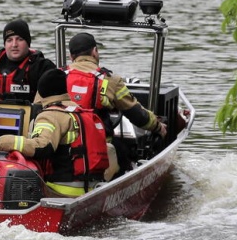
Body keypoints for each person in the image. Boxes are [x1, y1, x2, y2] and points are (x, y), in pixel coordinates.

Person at [0, 69, 111, 196]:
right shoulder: (80, 112)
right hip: (91, 189)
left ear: (42, 91)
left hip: (60, 192)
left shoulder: (50, 115)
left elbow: (41, 146)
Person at [65, 32, 167, 178]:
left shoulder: (57, 75)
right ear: (95, 52)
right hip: (98, 149)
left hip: (63, 149)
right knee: (123, 152)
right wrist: (158, 126)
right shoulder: (110, 80)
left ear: (71, 56)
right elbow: (137, 114)